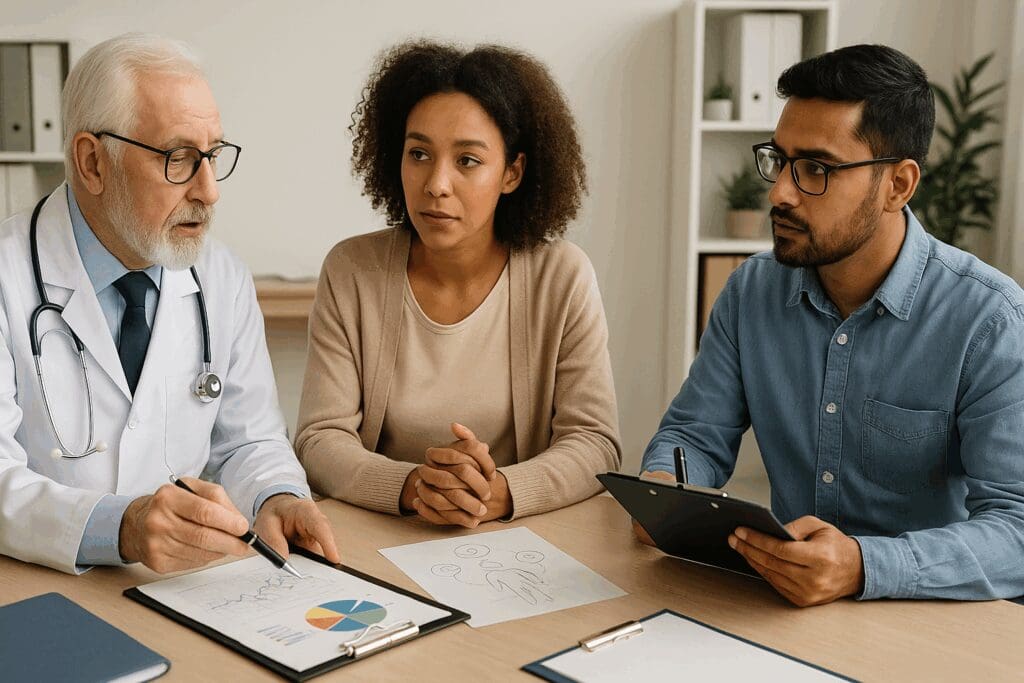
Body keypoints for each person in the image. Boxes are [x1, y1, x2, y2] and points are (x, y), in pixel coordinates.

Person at [640, 44, 1024, 605]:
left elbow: (1016, 528)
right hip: (784, 606)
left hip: (929, 621)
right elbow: (694, 435)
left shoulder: (988, 320)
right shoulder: (751, 291)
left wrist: (866, 566)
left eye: (816, 169)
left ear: (898, 185)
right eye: (779, 159)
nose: (780, 192)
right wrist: (664, 490)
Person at [0, 34, 339, 575]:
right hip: (38, 590)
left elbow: (247, 442)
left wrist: (277, 497)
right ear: (93, 162)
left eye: (213, 155)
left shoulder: (221, 277)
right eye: (178, 158)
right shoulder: (7, 275)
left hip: (183, 591)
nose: (209, 190)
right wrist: (122, 528)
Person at [296, 41, 620, 527]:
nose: (436, 183)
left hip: (522, 545)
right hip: (380, 535)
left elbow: (596, 443)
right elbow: (319, 438)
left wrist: (501, 492)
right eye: (419, 153)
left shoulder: (563, 276)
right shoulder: (352, 270)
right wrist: (413, 486)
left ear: (512, 172)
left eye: (467, 160)